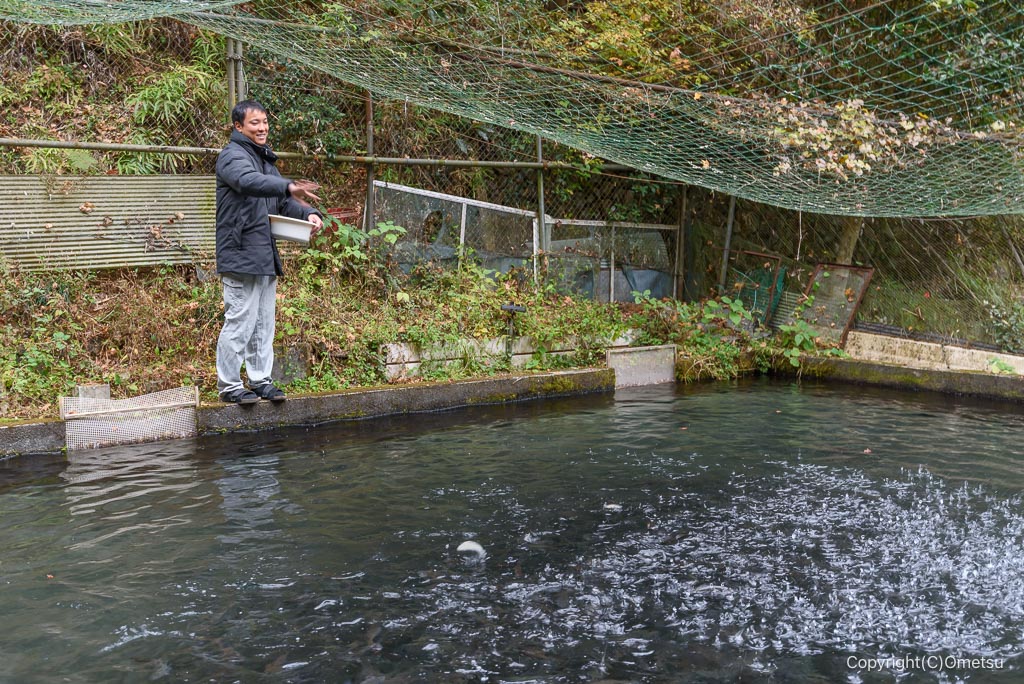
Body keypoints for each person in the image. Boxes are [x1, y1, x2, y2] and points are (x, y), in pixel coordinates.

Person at [214, 99, 323, 404]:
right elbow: (249, 183)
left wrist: (309, 214)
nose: (262, 128)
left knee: (263, 323)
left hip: (264, 254)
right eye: (254, 123)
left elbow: (281, 201)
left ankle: (260, 379)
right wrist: (286, 186)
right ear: (239, 127)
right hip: (240, 252)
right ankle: (230, 385)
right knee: (240, 321)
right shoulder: (232, 157)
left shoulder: (265, 160)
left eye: (264, 122)